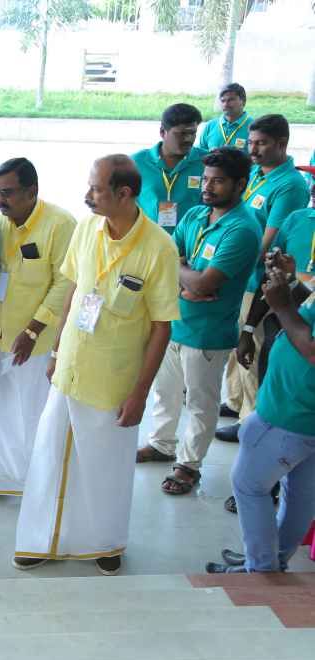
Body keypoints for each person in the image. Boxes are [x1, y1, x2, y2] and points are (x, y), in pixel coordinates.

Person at [13, 155, 180, 576]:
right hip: (70, 367)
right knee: (50, 457)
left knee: (106, 466)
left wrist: (140, 393)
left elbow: (162, 326)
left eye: (96, 189)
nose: (87, 195)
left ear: (123, 194)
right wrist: (55, 352)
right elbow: (74, 290)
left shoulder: (159, 247)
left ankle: (106, 543)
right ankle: (42, 539)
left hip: (113, 378)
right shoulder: (87, 228)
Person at [138, 148, 260, 496]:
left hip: (208, 333)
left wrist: (187, 276)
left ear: (240, 184)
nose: (207, 187)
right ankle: (161, 444)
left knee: (201, 404)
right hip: (173, 323)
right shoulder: (195, 214)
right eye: (205, 179)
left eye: (217, 181)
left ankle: (188, 466)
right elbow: (165, 259)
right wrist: (187, 282)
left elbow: (206, 284)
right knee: (165, 392)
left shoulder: (242, 230)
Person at [0, 158, 75, 496]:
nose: (0, 200)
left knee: (34, 413)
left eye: (8, 192)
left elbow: (65, 283)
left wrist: (33, 330)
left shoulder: (60, 224)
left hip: (36, 341)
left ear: (32, 191)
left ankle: (38, 485)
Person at [207, 261, 315, 574]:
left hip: (288, 414)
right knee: (300, 495)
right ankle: (271, 559)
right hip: (304, 418)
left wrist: (281, 305)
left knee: (248, 485)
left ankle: (261, 569)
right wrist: (290, 285)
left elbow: (311, 348)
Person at [218, 114, 310, 442]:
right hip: (238, 278)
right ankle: (235, 401)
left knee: (253, 348)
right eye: (251, 142)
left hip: (255, 279)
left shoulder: (290, 185)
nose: (253, 150)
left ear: (282, 144)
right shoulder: (257, 174)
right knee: (238, 341)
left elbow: (268, 243)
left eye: (261, 144)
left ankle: (251, 418)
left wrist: (226, 265)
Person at [132, 103, 206, 234]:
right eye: (181, 134)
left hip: (191, 241)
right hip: (148, 240)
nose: (188, 139)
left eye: (192, 133)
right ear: (162, 132)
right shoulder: (137, 163)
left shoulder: (206, 162)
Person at [198, 83, 251, 152]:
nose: (225, 104)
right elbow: (200, 154)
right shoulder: (211, 126)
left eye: (231, 100)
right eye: (223, 101)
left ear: (243, 101)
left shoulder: (253, 126)